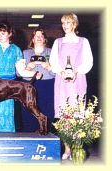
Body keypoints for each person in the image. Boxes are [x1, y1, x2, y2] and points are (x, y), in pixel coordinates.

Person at [0, 20, 39, 133]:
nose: (0, 36)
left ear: (10, 33)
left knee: (5, 121)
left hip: (7, 88)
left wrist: (34, 74)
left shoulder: (16, 50)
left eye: (3, 33)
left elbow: (21, 71)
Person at [49, 13, 93, 160]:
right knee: (63, 115)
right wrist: (61, 72)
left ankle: (77, 148)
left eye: (68, 23)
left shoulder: (83, 41)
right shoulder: (58, 42)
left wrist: (76, 71)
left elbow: (88, 62)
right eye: (63, 23)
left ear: (74, 24)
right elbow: (54, 61)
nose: (65, 26)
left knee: (77, 114)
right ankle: (67, 149)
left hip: (78, 80)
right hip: (61, 82)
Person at [21, 28, 55, 133]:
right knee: (28, 111)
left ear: (45, 39)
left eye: (41, 36)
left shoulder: (51, 52)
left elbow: (56, 73)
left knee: (47, 111)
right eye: (36, 36)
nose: (39, 38)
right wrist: (28, 68)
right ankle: (29, 136)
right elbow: (18, 73)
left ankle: (47, 135)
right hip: (29, 85)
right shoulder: (25, 53)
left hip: (47, 85)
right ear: (33, 39)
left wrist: (49, 67)